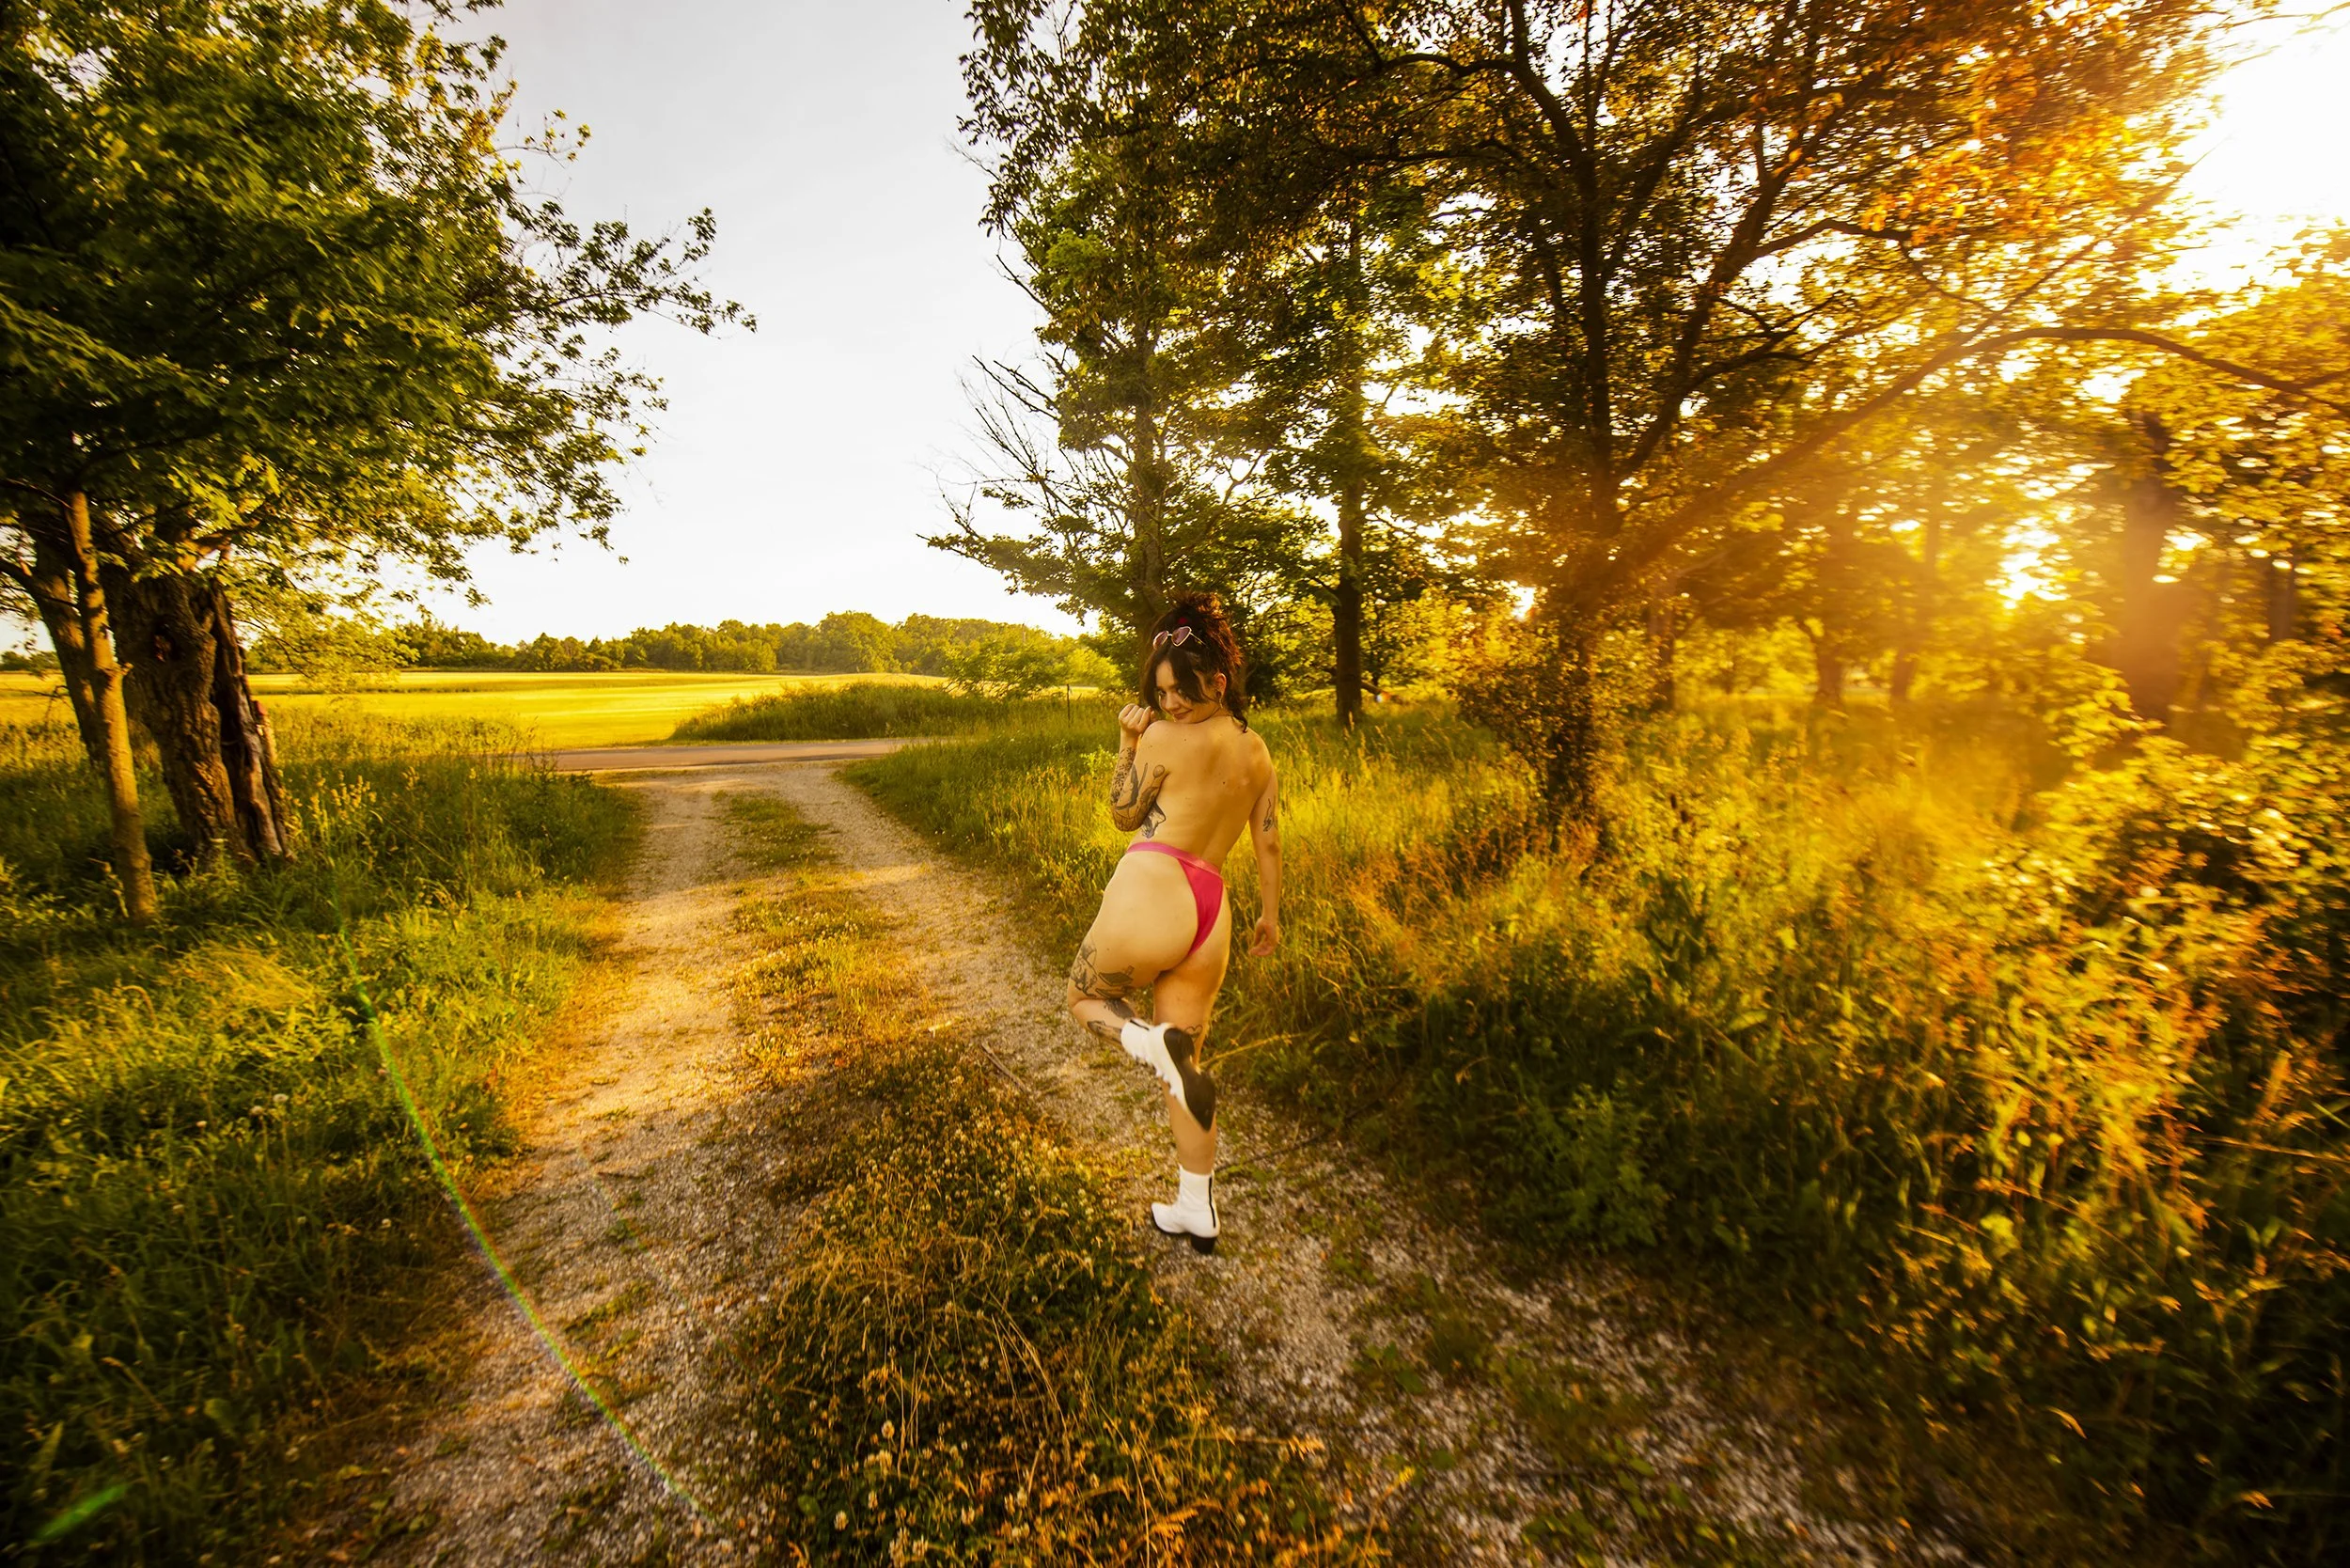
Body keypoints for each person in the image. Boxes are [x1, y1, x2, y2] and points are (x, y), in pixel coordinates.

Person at [1066, 593, 1280, 1255]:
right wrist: (1271, 912)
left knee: (1085, 999)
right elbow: (1267, 838)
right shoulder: (1256, 749)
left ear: (1216, 680)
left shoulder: (1157, 738)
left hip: (1156, 884)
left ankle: (1149, 1043)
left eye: (1181, 690)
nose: (1170, 705)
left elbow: (1122, 815)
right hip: (1212, 908)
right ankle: (1195, 1208)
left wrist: (1127, 741)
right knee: (1185, 1065)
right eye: (1159, 694)